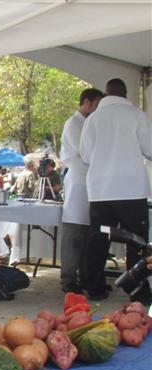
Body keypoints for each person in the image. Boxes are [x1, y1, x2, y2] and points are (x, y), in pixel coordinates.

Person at [80, 78, 152, 303]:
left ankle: (95, 287)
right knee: (136, 242)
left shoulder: (92, 120)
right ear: (125, 94)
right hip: (131, 189)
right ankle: (137, 291)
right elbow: (150, 149)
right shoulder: (137, 115)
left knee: (98, 239)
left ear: (106, 94)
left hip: (101, 190)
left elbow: (85, 155)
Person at [59, 88, 104, 293]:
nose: (97, 110)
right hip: (78, 183)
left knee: (88, 237)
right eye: (96, 105)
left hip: (91, 183)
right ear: (86, 102)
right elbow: (84, 153)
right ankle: (68, 280)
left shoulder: (89, 123)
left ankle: (86, 277)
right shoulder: (73, 124)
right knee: (74, 237)